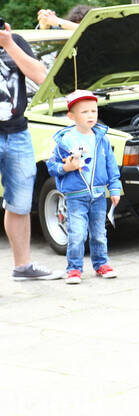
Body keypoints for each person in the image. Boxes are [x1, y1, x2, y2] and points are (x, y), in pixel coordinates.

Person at [0, 19, 58, 280]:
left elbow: (40, 76)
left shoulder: (16, 43)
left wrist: (10, 44)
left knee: (20, 204)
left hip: (18, 133)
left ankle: (22, 267)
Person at [45, 90, 121, 283]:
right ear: (71, 116)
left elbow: (111, 165)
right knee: (77, 234)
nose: (90, 116)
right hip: (75, 196)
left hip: (97, 195)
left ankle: (101, 264)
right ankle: (74, 269)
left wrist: (114, 188)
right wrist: (66, 167)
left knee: (98, 233)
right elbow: (51, 165)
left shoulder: (101, 139)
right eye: (84, 112)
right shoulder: (65, 140)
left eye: (93, 111)